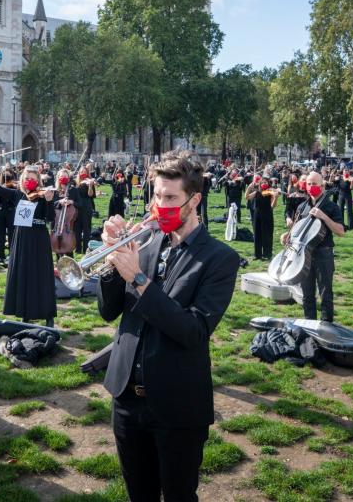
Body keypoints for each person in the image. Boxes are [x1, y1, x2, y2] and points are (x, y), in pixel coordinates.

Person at [97, 149, 240, 502]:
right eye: (157, 195)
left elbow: (193, 331)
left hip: (177, 404)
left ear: (195, 200)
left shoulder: (219, 259)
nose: (161, 204)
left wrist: (139, 279)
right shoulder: (144, 241)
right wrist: (112, 263)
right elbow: (108, 311)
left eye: (171, 197)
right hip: (127, 396)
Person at [0, 155, 56, 327]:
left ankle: (48, 315)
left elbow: (50, 218)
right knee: (23, 273)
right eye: (26, 178)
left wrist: (48, 202)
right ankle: (25, 312)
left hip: (39, 237)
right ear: (22, 180)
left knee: (41, 275)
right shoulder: (17, 194)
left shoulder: (43, 194)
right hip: (21, 237)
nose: (29, 181)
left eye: (33, 179)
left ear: (38, 180)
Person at [281, 172, 344, 322]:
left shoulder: (331, 206)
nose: (311, 187)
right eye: (309, 184)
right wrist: (287, 235)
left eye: (315, 183)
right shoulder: (302, 206)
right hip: (303, 256)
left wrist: (323, 216)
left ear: (322, 185)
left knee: (325, 293)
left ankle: (327, 326)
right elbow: (297, 229)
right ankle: (309, 325)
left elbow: (340, 231)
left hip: (323, 254)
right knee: (307, 294)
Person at [247, 176, 278, 260]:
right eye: (263, 182)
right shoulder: (257, 192)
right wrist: (249, 188)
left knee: (267, 235)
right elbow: (247, 197)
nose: (264, 184)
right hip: (257, 215)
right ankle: (257, 254)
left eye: (266, 182)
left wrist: (275, 197)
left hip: (267, 215)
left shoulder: (270, 192)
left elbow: (272, 206)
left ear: (268, 183)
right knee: (257, 234)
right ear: (260, 184)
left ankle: (267, 254)